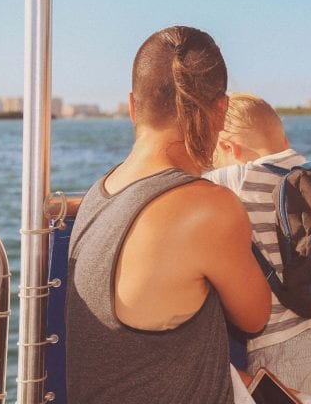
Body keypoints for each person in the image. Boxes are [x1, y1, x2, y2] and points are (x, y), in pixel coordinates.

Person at [65, 27, 271, 403]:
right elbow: (255, 316)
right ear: (221, 109)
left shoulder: (100, 192)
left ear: (132, 106)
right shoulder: (206, 207)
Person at [206, 92, 311, 404]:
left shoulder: (239, 176)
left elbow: (174, 190)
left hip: (283, 346)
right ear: (281, 133)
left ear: (228, 147)